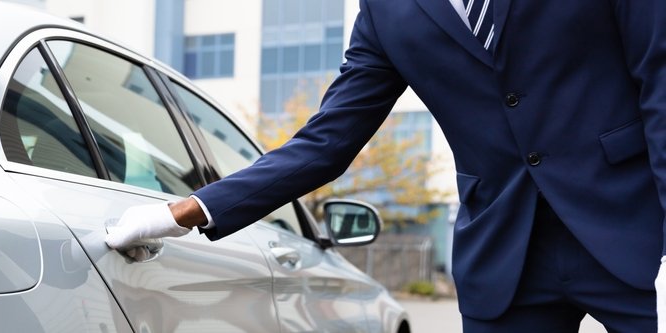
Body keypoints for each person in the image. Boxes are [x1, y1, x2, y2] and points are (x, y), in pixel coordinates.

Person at [106, 0, 665, 332]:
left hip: (635, 230)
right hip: (506, 257)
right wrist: (184, 210)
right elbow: (328, 142)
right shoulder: (386, 10)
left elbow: (659, 84)